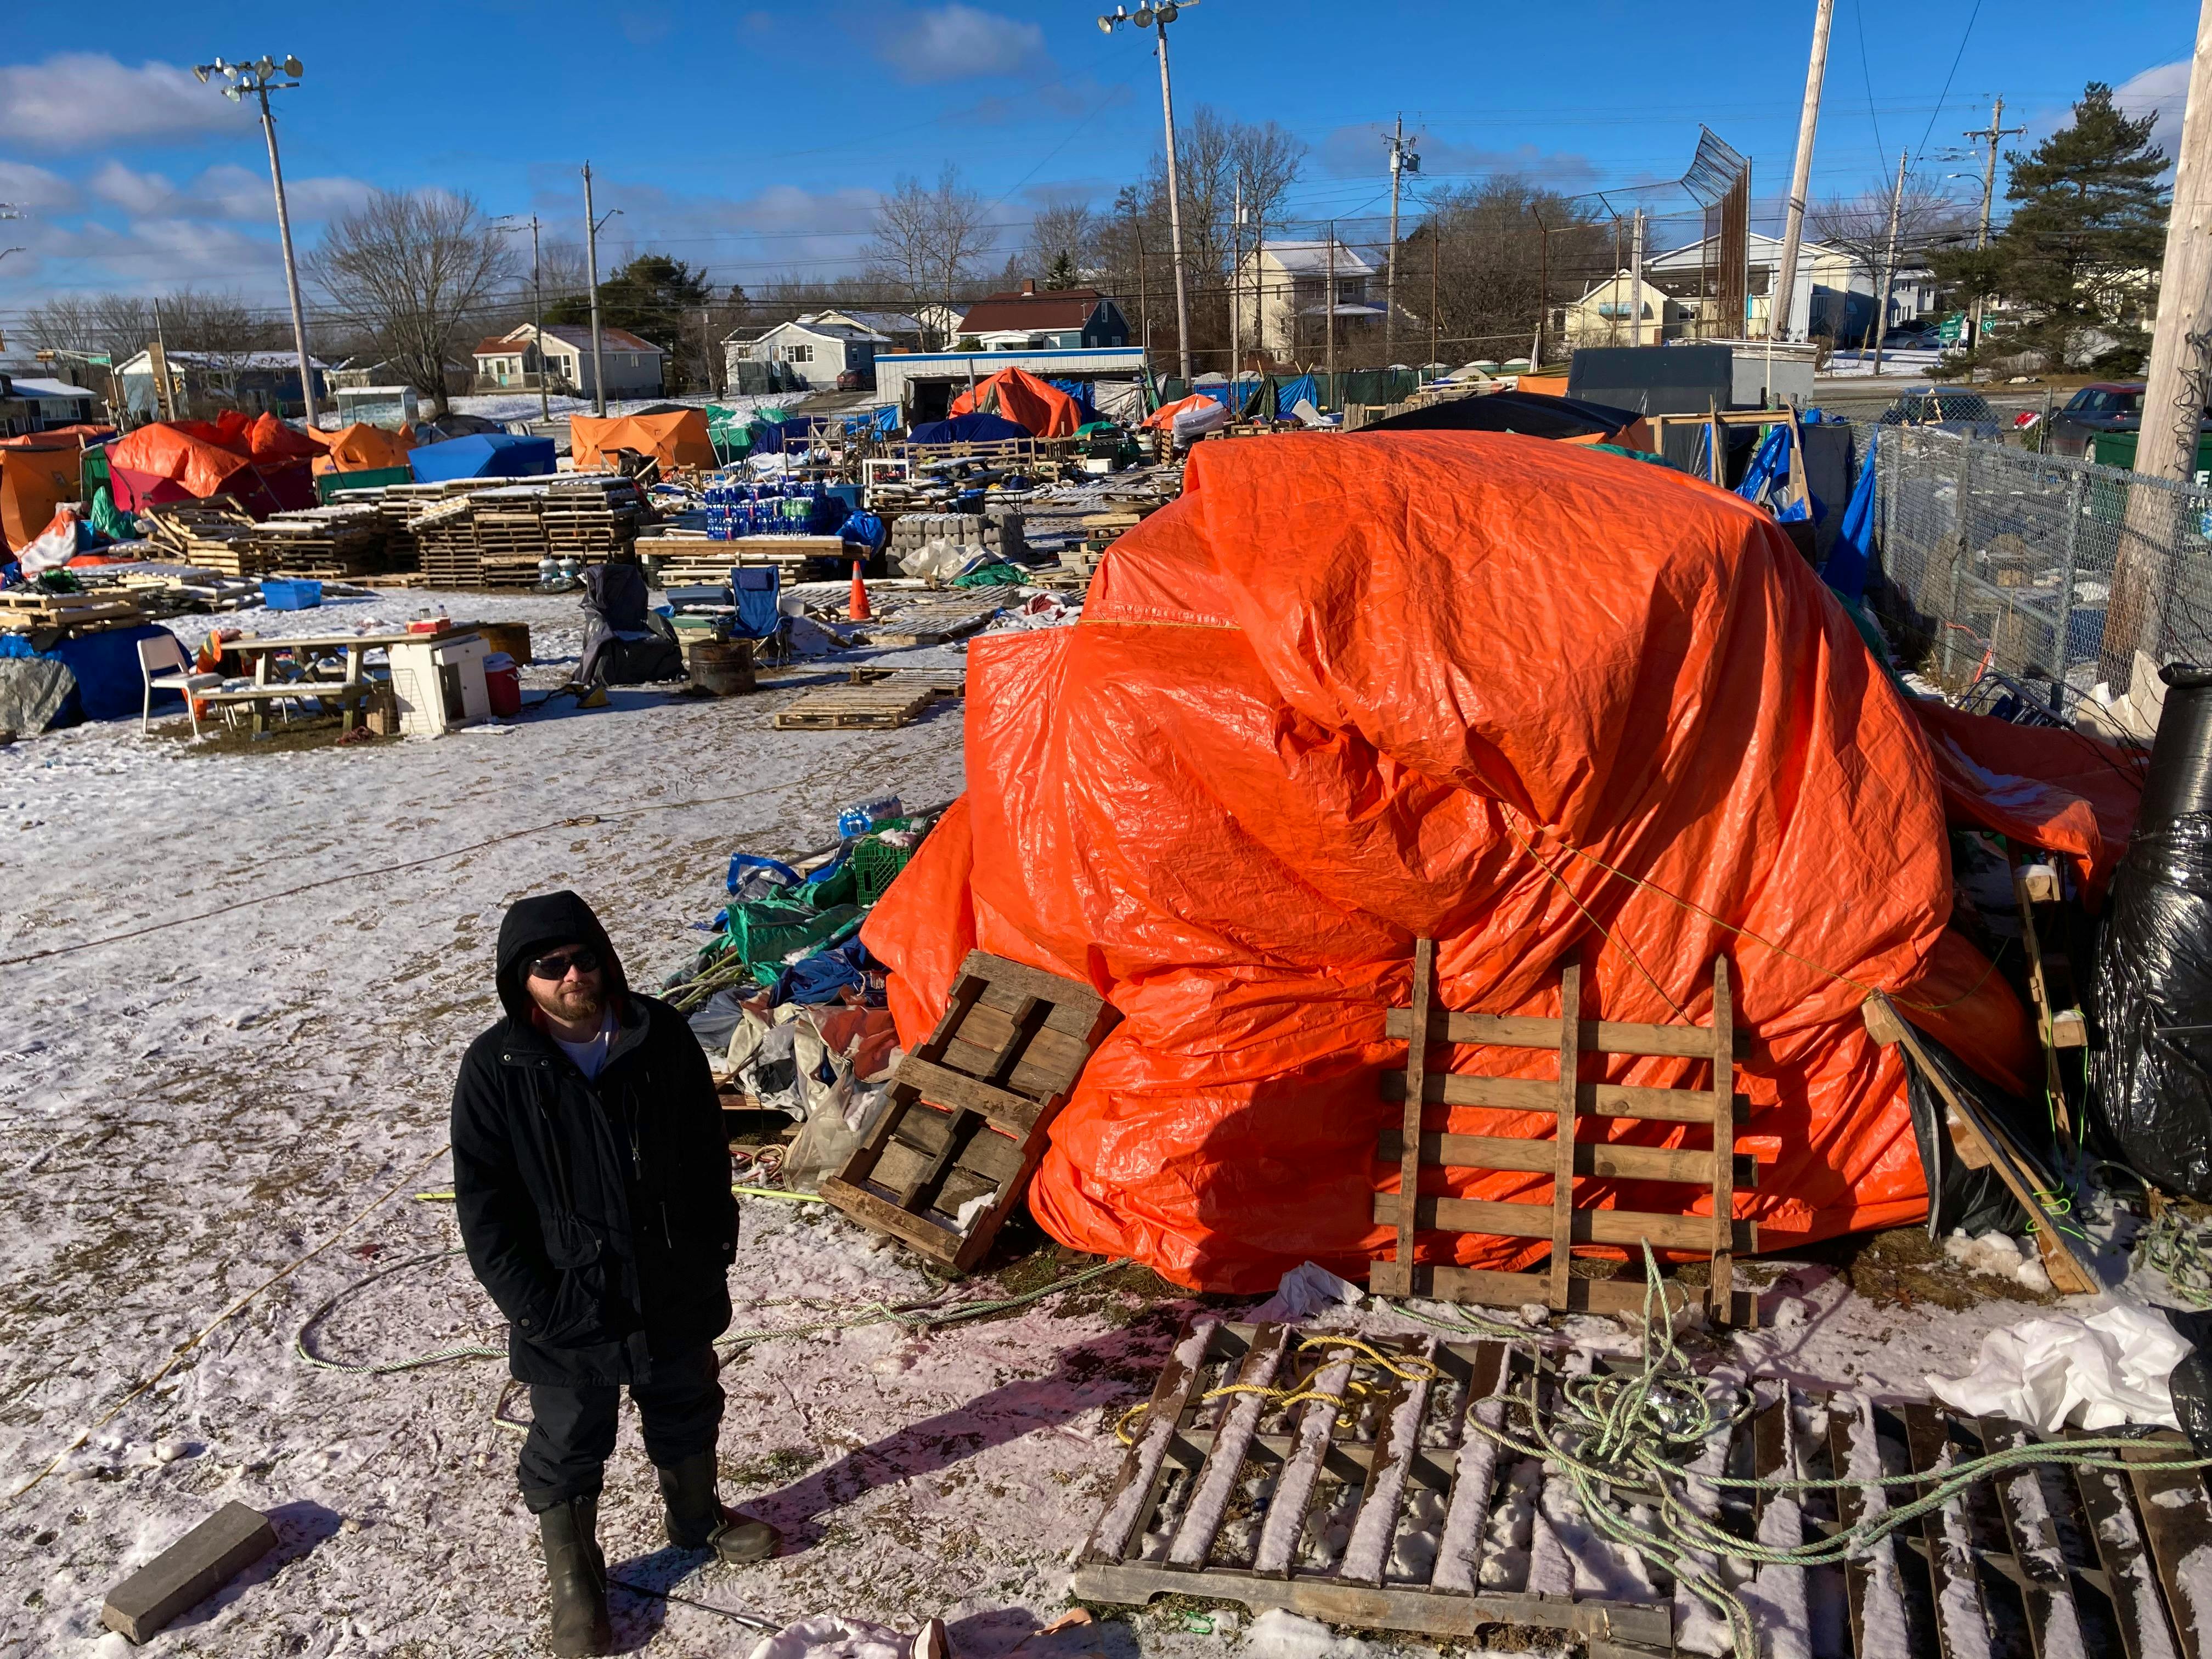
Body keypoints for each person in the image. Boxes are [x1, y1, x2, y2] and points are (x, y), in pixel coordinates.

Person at [450, 890, 774, 1658]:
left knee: (687, 1397)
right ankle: (577, 1585)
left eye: (583, 957)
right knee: (567, 1439)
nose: (572, 976)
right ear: (520, 981)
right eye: (549, 966)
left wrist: (711, 1247)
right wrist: (534, 1306)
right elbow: (485, 1207)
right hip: (569, 1295)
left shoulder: (655, 1033)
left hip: (669, 1276)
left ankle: (696, 1517)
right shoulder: (498, 1069)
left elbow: (703, 1149)